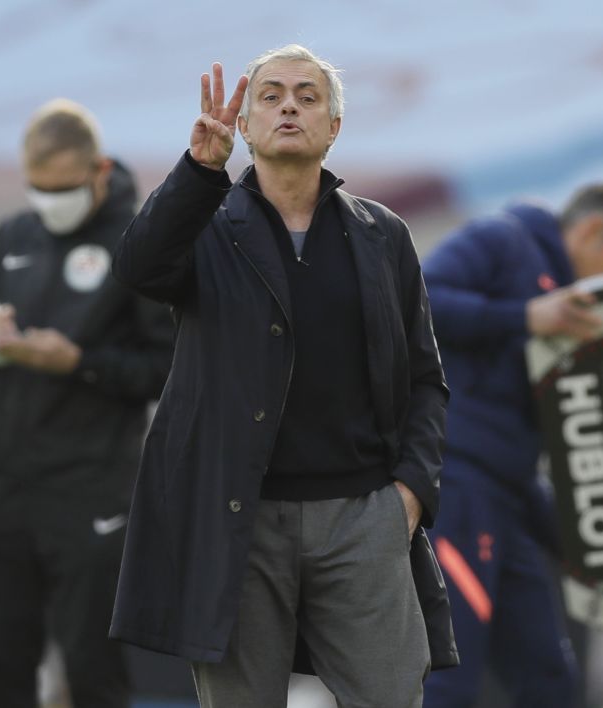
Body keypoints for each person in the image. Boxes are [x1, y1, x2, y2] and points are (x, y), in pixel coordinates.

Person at [108, 45, 457, 708]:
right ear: (244, 124)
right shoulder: (205, 228)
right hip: (239, 519)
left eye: (307, 95)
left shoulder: (384, 235)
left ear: (333, 127)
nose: (289, 105)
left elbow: (425, 379)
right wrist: (194, 174)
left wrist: (407, 497)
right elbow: (138, 270)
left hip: (363, 516)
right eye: (269, 95)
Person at [0, 98, 174, 708]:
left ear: (99, 171)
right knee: (2, 660)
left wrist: (79, 362)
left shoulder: (143, 243)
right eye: (35, 188)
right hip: (3, 479)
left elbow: (168, 370)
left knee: (90, 666)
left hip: (91, 484)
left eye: (62, 189)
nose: (48, 202)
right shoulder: (13, 233)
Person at [420, 185, 603, 708]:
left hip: (510, 497)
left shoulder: (571, 313)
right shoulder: (503, 239)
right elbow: (418, 297)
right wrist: (525, 317)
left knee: (550, 680)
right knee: (449, 677)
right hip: (458, 488)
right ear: (591, 231)